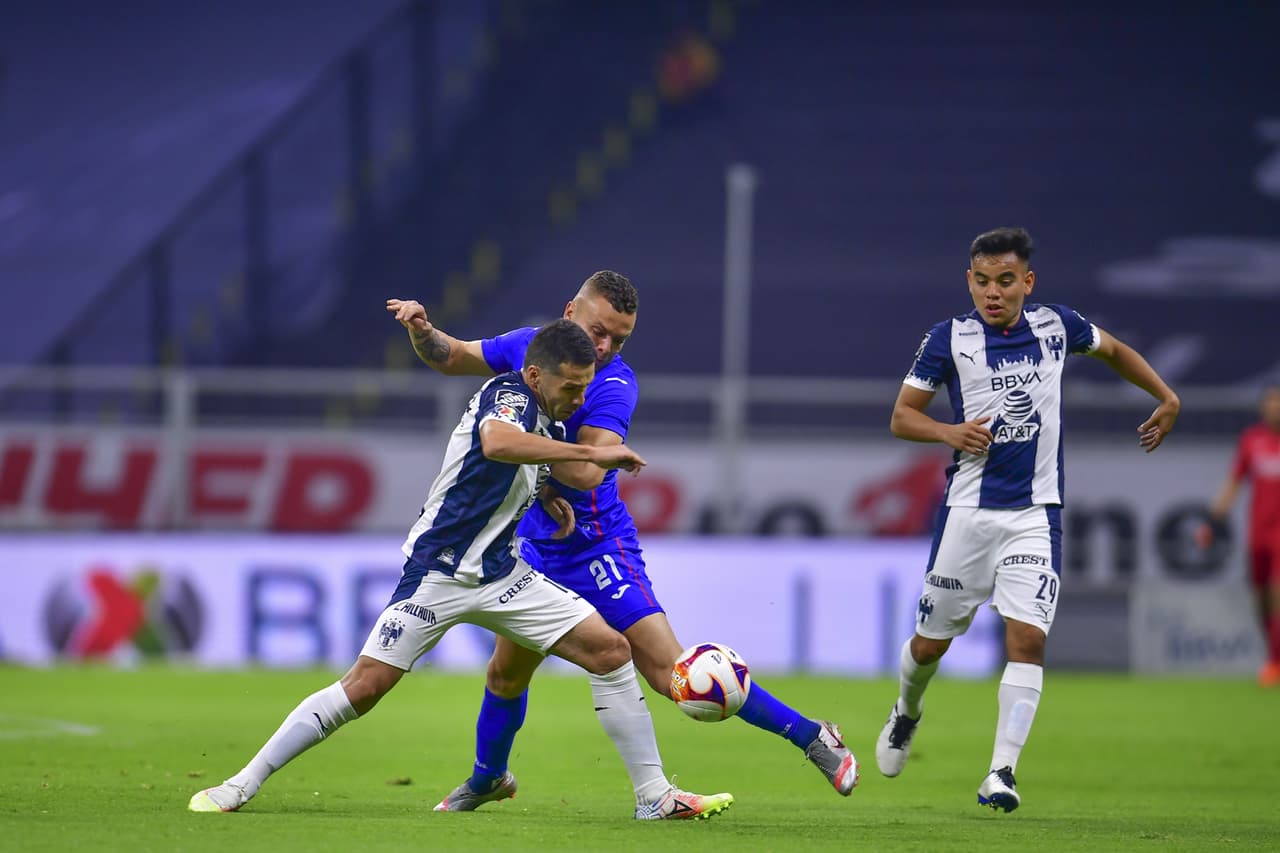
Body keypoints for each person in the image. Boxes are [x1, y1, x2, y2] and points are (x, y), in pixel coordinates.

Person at [188, 320, 722, 819]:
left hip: (502, 575)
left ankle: (655, 797)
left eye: (586, 389)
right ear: (537, 375)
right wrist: (589, 456)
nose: (579, 400)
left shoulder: (546, 414)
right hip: (437, 574)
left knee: (610, 651)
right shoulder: (507, 394)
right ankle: (242, 782)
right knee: (365, 686)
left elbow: (508, 468)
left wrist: (547, 492)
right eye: (572, 387)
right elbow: (496, 442)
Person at [386, 270, 858, 812]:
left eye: (620, 338)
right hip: (529, 549)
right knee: (505, 674)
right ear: (570, 312)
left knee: (675, 676)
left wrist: (516, 451)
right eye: (599, 330)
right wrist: (423, 330)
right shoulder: (530, 347)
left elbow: (587, 475)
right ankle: (488, 777)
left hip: (595, 550)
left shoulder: (614, 385)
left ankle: (813, 737)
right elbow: (452, 356)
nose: (606, 346)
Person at [873, 227, 1180, 813]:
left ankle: (1001, 772)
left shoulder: (1057, 326)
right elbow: (901, 417)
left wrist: (1166, 396)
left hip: (1036, 514)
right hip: (967, 513)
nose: (994, 293)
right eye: (983, 281)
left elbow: (1114, 350)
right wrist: (947, 431)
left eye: (1006, 281)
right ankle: (907, 711)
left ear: (1027, 283)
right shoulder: (948, 338)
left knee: (1028, 638)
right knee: (928, 647)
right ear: (970, 281)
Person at [1196, 383, 1280, 686]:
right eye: (1270, 403)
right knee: (1261, 599)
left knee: (1276, 592)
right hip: (1258, 533)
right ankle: (1273, 657)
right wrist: (1211, 522)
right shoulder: (1252, 440)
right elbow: (1234, 483)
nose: (1274, 408)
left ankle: (1275, 662)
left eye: (1278, 403)